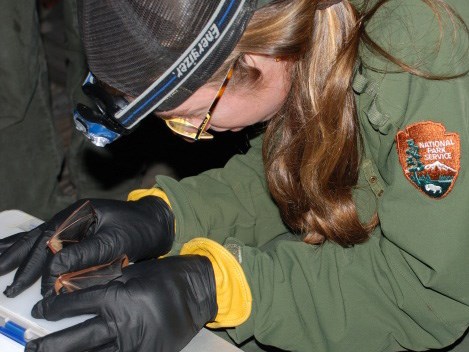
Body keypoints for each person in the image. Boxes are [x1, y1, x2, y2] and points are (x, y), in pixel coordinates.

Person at [0, 0, 468, 351]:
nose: (186, 139)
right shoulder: (310, 41)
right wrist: (167, 217)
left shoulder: (425, 54)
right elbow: (302, 171)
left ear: (260, 56)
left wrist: (222, 286)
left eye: (196, 116)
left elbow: (428, 294)